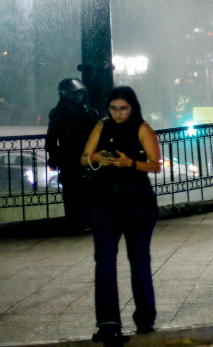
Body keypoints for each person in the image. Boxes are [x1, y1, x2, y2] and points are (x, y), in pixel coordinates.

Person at [79, 87, 162, 346]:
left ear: (133, 108)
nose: (117, 113)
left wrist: (130, 164)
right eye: (113, 108)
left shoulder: (142, 128)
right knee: (104, 262)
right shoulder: (101, 126)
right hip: (104, 201)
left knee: (138, 260)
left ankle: (145, 318)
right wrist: (97, 158)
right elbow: (83, 159)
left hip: (137, 201)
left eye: (123, 108)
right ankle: (108, 324)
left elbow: (156, 164)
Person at [46, 78, 99, 230]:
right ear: (65, 94)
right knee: (72, 191)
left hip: (88, 156)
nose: (79, 96)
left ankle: (89, 220)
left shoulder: (89, 111)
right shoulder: (59, 113)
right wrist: (54, 156)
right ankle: (76, 222)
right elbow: (52, 136)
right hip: (69, 157)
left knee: (90, 189)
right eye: (75, 93)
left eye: (80, 93)